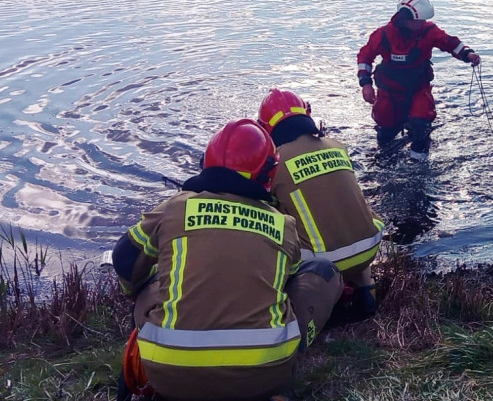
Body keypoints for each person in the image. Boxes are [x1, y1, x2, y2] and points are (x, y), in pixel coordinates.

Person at [112, 119, 342, 401]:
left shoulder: (174, 208)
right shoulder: (283, 225)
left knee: (153, 280)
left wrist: (135, 293)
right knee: (323, 271)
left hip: (168, 375)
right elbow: (289, 280)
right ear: (268, 173)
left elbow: (124, 258)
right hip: (264, 375)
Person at [257, 88, 385, 321]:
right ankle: (365, 289)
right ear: (307, 115)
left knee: (264, 227)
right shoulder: (336, 146)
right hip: (369, 246)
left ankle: (318, 298)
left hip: (324, 262)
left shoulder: (275, 162)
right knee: (346, 210)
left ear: (266, 128)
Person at [357, 0, 481, 160]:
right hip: (390, 90)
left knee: (421, 124)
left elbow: (450, 43)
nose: (423, 23)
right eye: (419, 21)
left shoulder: (428, 31)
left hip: (418, 88)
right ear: (406, 20)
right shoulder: (383, 34)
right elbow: (365, 56)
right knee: (386, 131)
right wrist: (366, 84)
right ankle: (386, 156)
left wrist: (468, 54)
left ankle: (419, 166)